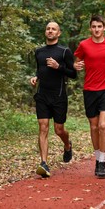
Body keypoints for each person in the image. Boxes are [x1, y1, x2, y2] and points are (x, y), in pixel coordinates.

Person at [73, 15, 105, 178]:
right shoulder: (84, 45)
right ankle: (97, 158)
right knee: (93, 127)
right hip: (90, 89)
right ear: (90, 28)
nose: (96, 29)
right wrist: (76, 65)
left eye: (99, 26)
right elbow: (77, 60)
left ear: (104, 28)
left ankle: (102, 162)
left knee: (102, 125)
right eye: (94, 26)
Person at [30, 21, 77, 178]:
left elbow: (73, 73)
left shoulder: (64, 52)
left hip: (58, 96)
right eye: (48, 29)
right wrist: (35, 77)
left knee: (59, 129)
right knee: (43, 127)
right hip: (42, 94)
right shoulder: (39, 51)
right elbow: (40, 69)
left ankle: (67, 144)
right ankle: (43, 163)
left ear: (59, 33)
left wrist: (59, 67)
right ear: (46, 32)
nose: (50, 31)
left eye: (53, 29)